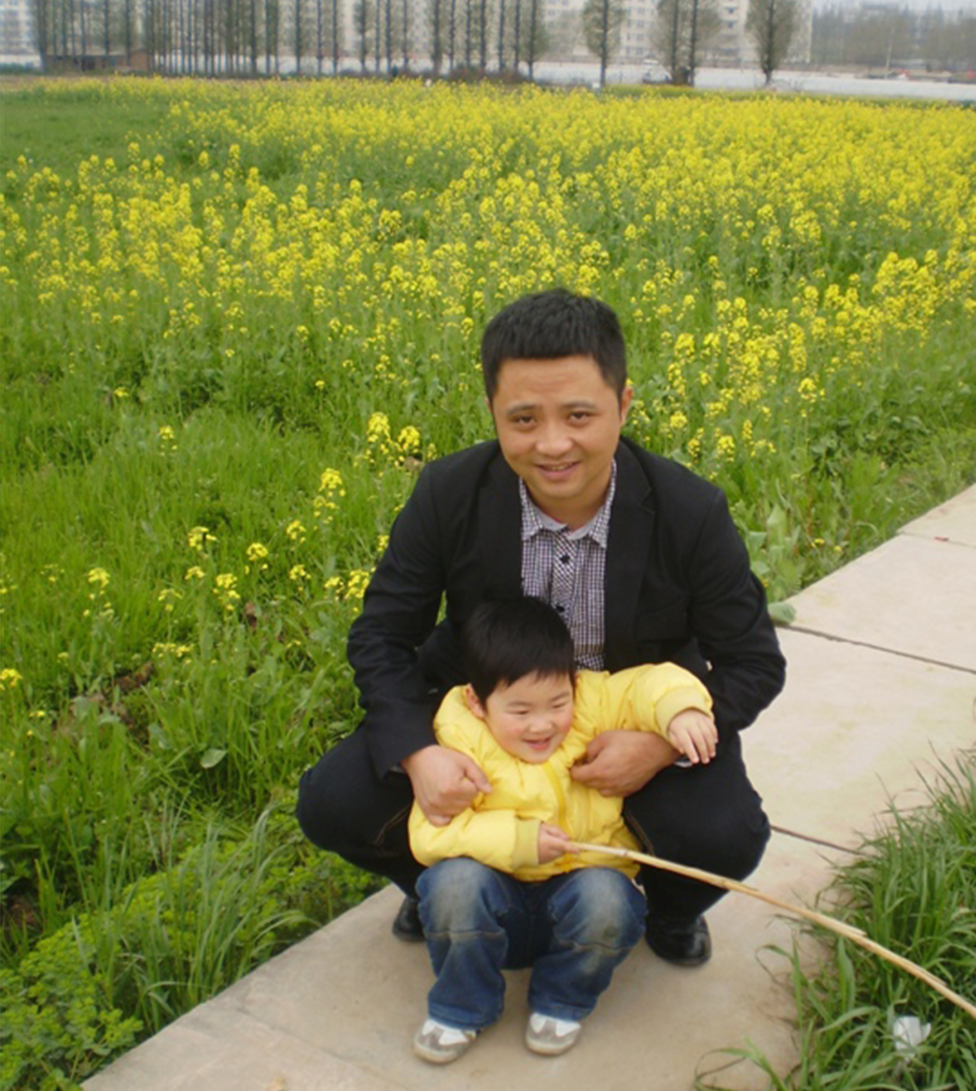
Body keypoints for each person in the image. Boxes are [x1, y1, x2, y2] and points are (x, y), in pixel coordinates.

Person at [297, 288, 785, 967]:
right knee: (334, 802)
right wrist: (418, 753)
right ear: (493, 413)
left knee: (725, 837)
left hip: (625, 718)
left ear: (624, 405)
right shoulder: (448, 494)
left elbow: (753, 663)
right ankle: (438, 883)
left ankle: (667, 911)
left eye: (579, 415)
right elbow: (381, 636)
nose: (553, 444)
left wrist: (656, 746)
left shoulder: (689, 511)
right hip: (489, 716)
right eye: (523, 419)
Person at [411, 596, 718, 1063]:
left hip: (579, 899)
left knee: (611, 898)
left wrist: (680, 709)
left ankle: (561, 998)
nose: (542, 725)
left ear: (573, 682)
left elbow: (649, 683)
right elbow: (429, 835)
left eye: (558, 703)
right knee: (451, 884)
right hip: (495, 903)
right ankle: (463, 1005)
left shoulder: (591, 701)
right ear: (477, 702)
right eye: (520, 712)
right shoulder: (457, 735)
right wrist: (517, 841)